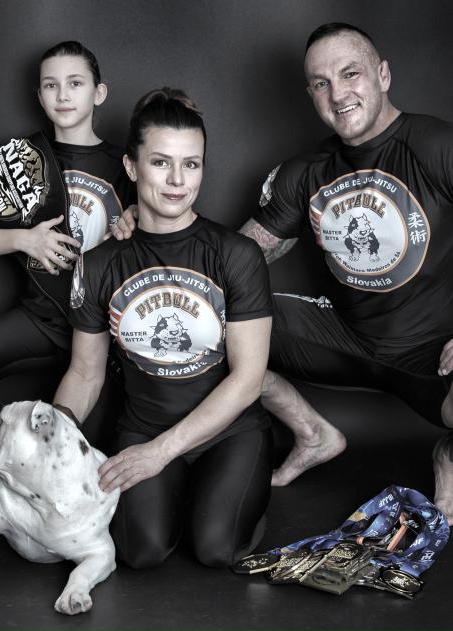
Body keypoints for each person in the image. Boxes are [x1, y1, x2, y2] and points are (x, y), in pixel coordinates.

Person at [114, 23, 453, 524]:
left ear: (382, 75)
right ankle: (313, 432)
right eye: (321, 83)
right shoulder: (306, 172)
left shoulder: (436, 145)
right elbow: (229, 261)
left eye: (351, 74)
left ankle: (448, 453)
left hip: (435, 351)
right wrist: (146, 222)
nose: (338, 94)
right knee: (207, 325)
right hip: (343, 338)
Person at [53, 87, 273, 569]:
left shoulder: (236, 255)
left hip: (229, 431)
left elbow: (248, 379)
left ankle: (230, 492)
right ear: (132, 167)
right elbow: (85, 374)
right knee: (140, 552)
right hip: (143, 427)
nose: (177, 180)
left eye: (191, 164)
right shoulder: (99, 263)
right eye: (160, 163)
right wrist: (52, 437)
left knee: (217, 549)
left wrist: (161, 454)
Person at [0, 41, 132, 447]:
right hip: (42, 316)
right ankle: (5, 471)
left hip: (103, 330)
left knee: (86, 445)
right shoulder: (22, 158)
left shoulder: (126, 164)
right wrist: (26, 239)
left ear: (99, 92)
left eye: (75, 83)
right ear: (39, 95)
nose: (63, 94)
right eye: (51, 85)